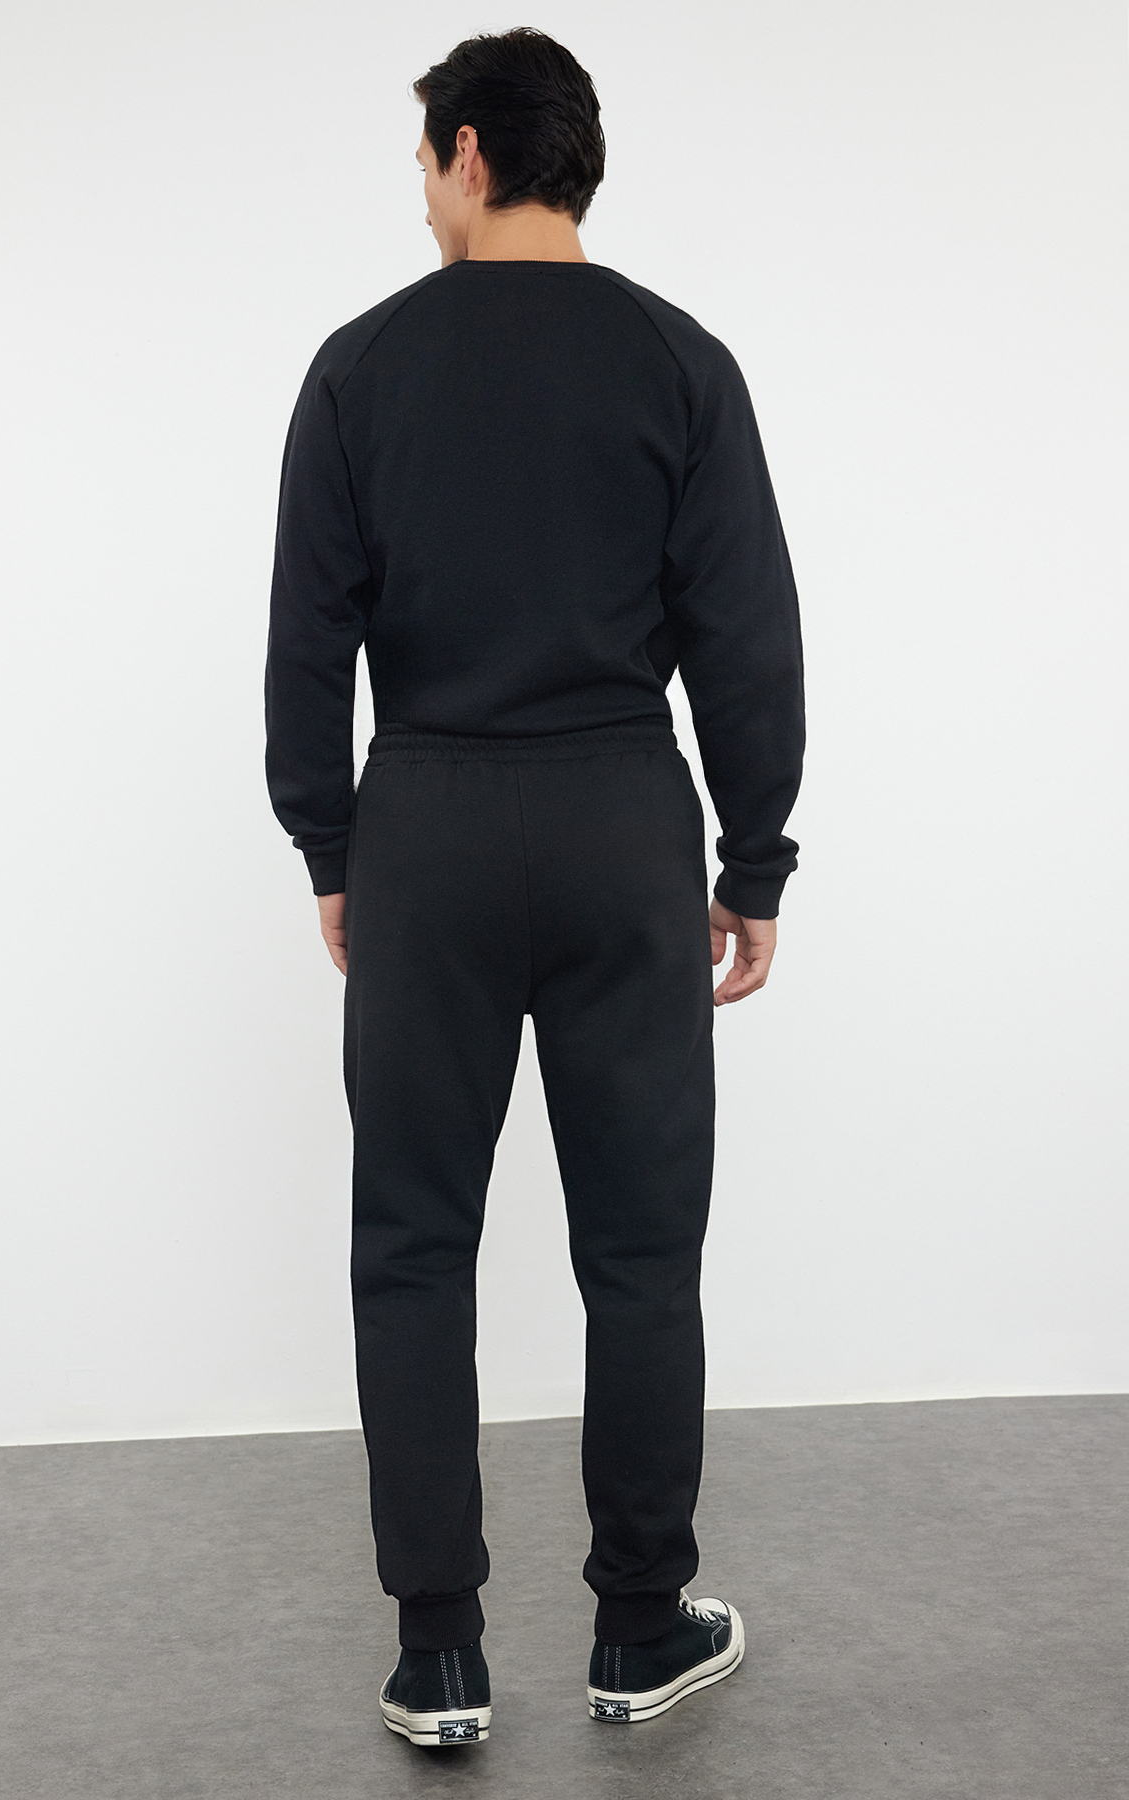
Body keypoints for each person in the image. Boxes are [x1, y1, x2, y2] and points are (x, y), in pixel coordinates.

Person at [264, 26, 804, 1749]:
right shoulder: (681, 362)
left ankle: (439, 1654)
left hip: (425, 823)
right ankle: (640, 1626)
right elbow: (746, 635)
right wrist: (753, 857)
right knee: (640, 1250)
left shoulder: (359, 369)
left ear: (475, 153)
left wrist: (333, 848)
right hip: (620, 823)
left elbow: (307, 647)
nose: (421, 194)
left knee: (413, 1246)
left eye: (425, 160)